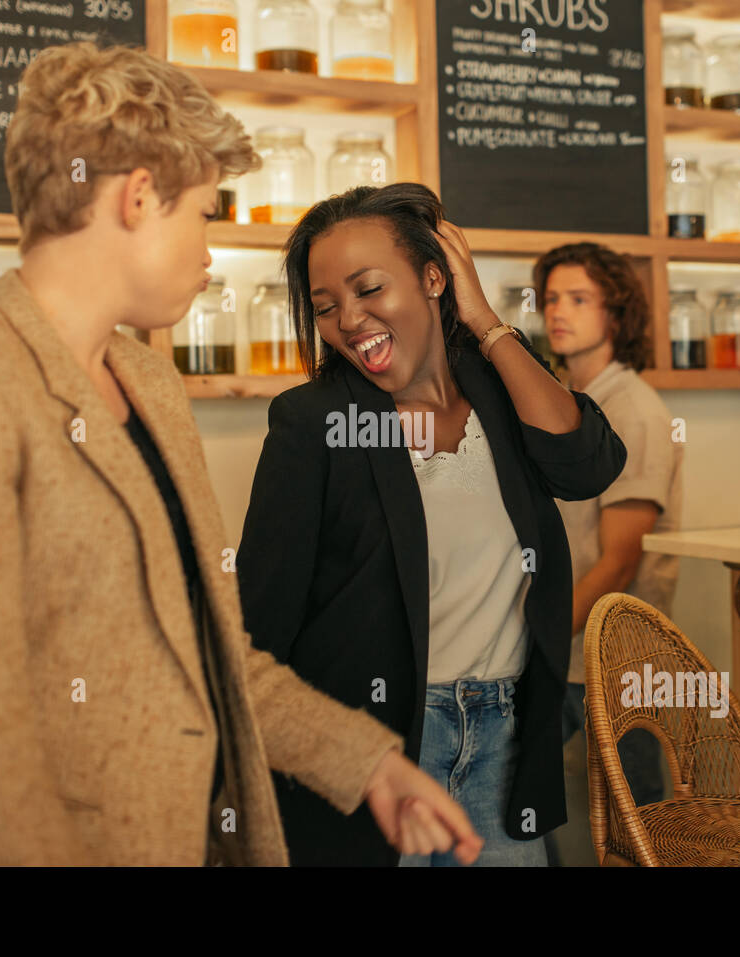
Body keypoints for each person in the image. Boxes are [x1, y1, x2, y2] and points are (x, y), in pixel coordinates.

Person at [0, 42, 482, 866]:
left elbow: (212, 653)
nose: (210, 250)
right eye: (206, 214)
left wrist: (371, 766)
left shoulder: (150, 381)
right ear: (140, 196)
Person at [236, 183, 628, 866]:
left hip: (505, 742)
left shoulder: (501, 391)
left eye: (368, 289)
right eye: (325, 307)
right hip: (380, 752)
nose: (350, 320)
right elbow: (259, 626)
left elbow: (588, 464)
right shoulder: (311, 422)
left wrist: (486, 322)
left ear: (434, 277)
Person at [535, 242, 685, 866]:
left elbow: (618, 562)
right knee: (516, 796)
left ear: (616, 316)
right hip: (567, 650)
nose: (558, 313)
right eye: (550, 299)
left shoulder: (636, 411)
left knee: (639, 823)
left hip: (616, 657)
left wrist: (534, 637)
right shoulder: (562, 399)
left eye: (578, 299)